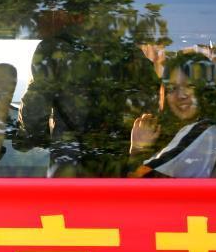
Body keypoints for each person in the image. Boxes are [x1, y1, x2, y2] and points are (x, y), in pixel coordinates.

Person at [15, 11, 160, 177]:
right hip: (120, 166)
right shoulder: (129, 53)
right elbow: (153, 106)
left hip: (70, 168)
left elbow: (33, 122)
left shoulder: (53, 50)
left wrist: (24, 139)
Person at [129, 52, 216, 178]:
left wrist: (138, 149)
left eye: (190, 85)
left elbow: (139, 180)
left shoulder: (203, 132)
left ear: (206, 90)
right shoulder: (184, 131)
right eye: (172, 88)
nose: (180, 95)